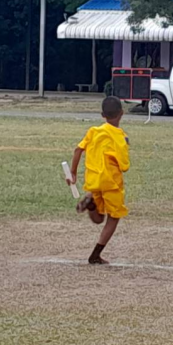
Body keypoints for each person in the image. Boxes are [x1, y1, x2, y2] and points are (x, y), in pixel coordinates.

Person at [66, 97, 131, 265]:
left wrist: (72, 173)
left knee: (98, 219)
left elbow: (78, 149)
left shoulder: (93, 131)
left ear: (102, 115)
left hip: (94, 181)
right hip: (111, 183)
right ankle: (95, 255)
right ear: (122, 114)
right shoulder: (121, 137)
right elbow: (124, 166)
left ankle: (91, 203)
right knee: (113, 218)